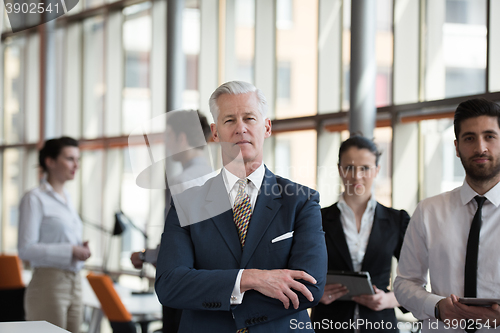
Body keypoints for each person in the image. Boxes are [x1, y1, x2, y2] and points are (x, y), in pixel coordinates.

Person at [155, 80, 327, 332]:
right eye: (229, 121)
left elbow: (309, 287)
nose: (241, 129)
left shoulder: (301, 201)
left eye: (249, 118)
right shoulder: (186, 204)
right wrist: (249, 279)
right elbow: (170, 284)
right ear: (215, 133)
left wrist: (221, 293)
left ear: (266, 127)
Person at [394, 98, 500, 332]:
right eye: (469, 138)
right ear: (456, 147)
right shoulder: (428, 211)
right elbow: (404, 283)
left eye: (490, 136)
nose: (480, 147)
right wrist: (437, 307)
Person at [310, 136, 410, 332]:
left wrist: (389, 299)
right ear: (340, 169)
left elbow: (415, 277)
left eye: (365, 168)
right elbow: (297, 271)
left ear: (377, 170)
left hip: (380, 325)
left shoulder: (396, 220)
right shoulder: (316, 219)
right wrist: (316, 293)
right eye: (349, 168)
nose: (356, 176)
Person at [130, 110, 213, 333]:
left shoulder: (182, 181)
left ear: (182, 138)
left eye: (168, 137)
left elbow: (177, 244)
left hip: (181, 283)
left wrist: (143, 256)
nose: (166, 144)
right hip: (206, 287)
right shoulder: (217, 178)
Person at [18, 136, 90, 333]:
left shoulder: (68, 198)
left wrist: (79, 248)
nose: (76, 165)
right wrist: (71, 250)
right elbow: (25, 249)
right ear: (49, 162)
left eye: (78, 159)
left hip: (75, 281)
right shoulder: (34, 198)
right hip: (49, 283)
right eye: (70, 159)